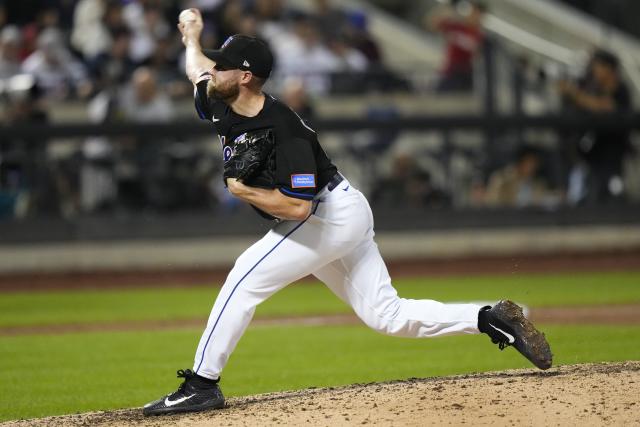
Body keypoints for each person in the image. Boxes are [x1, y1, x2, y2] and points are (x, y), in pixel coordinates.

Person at [142, 8, 552, 416]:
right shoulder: (220, 101)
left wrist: (244, 190)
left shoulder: (284, 130)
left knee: (243, 278)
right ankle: (490, 318)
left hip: (327, 213)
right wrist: (192, 37)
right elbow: (195, 69)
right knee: (387, 316)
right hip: (334, 213)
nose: (213, 72)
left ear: (245, 77)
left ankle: (201, 384)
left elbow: (299, 207)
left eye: (223, 67)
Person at [557, 49, 632, 204]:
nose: (594, 70)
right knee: (591, 195)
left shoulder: (621, 89)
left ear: (609, 68)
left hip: (613, 154)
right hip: (593, 153)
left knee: (612, 195)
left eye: (598, 66)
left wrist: (574, 93)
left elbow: (603, 106)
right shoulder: (594, 87)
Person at [427, 0, 486, 92]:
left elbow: (478, 55)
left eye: (478, 14)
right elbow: (433, 24)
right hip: (450, 72)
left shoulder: (480, 36)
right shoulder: (456, 27)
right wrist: (448, 7)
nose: (474, 16)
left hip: (466, 74)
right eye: (473, 13)